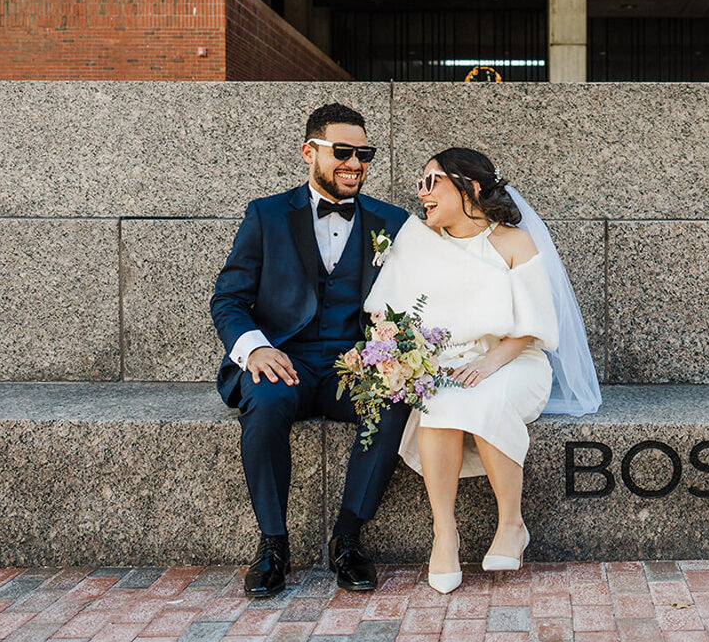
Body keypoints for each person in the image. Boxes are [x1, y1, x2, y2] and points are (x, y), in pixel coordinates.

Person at [363, 147, 600, 594]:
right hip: (445, 364)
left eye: (432, 181)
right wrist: (404, 356)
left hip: (515, 361)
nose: (422, 192)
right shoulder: (416, 241)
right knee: (441, 401)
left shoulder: (513, 242)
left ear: (468, 187)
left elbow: (533, 328)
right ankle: (445, 534)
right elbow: (385, 313)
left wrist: (489, 363)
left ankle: (512, 524)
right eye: (420, 182)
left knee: (484, 397)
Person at [210, 103, 411, 598]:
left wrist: (399, 352)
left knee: (394, 400)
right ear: (309, 152)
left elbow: (415, 298)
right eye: (342, 151)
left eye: (364, 153)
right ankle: (273, 544)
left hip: (353, 363)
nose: (355, 163)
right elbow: (229, 298)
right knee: (265, 399)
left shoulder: (393, 221)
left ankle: (347, 538)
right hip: (287, 360)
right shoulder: (267, 214)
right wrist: (253, 349)